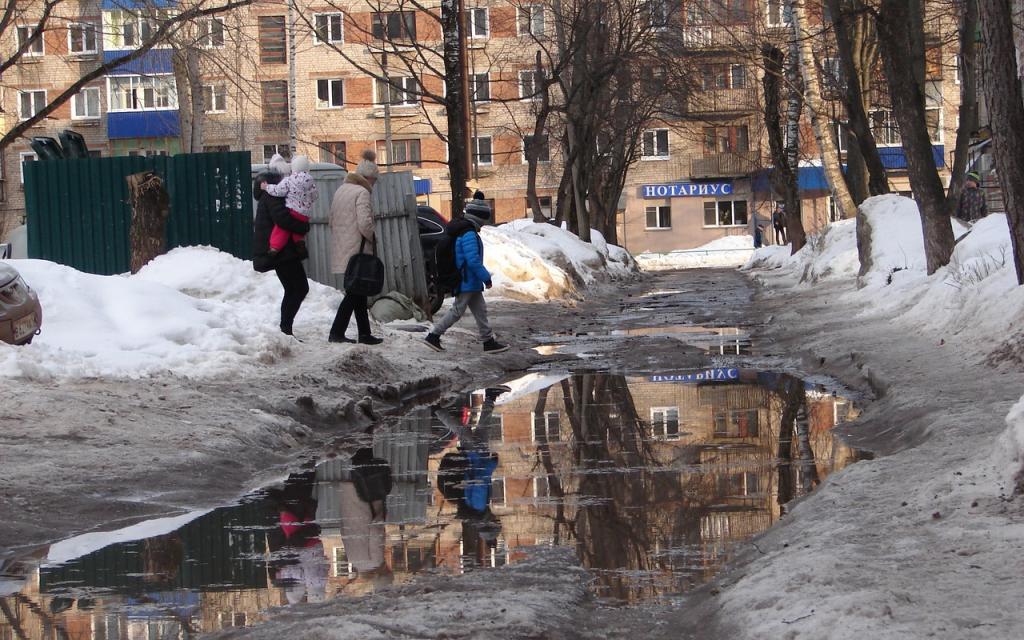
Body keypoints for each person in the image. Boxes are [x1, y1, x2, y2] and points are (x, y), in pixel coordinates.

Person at [423, 196, 509, 354]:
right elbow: (473, 261)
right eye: (485, 219)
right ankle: (433, 336)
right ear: (479, 217)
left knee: (480, 310)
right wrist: (486, 277)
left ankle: (488, 341)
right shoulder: (468, 233)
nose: (485, 223)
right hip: (466, 279)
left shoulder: (465, 230)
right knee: (457, 311)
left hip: (470, 280)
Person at [252, 156, 310, 337]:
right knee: (299, 288)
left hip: (281, 252)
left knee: (293, 289)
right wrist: (303, 226)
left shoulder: (268, 196)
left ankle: (286, 329)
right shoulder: (272, 196)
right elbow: (283, 219)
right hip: (282, 252)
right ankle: (286, 329)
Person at [328, 149, 382, 345]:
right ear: (368, 177)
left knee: (357, 293)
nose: (374, 184)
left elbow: (331, 221)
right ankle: (336, 332)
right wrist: (374, 238)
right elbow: (365, 224)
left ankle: (364, 334)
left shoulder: (341, 190)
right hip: (357, 250)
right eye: (374, 180)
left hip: (343, 248)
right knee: (353, 294)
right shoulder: (362, 192)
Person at [261, 154, 318, 255]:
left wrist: (266, 187)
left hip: (293, 211)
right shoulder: (311, 181)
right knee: (297, 230)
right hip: (305, 214)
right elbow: (314, 196)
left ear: (294, 167)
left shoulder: (289, 180)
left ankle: (274, 247)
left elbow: (278, 190)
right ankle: (300, 242)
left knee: (282, 229)